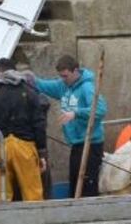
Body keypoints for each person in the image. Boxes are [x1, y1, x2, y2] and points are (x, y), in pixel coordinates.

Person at [34, 55, 107, 197]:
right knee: (75, 186)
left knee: (87, 188)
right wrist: (28, 78)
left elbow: (100, 109)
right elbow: (42, 85)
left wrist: (76, 113)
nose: (63, 79)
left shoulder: (87, 87)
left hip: (90, 144)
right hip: (77, 145)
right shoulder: (63, 86)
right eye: (61, 76)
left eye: (65, 76)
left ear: (75, 71)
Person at [0, 65, 47, 202]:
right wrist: (42, 153)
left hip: (0, 147)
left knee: (0, 196)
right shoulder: (30, 94)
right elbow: (39, 125)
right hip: (25, 148)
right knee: (33, 193)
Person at [0, 58, 54, 200]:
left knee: (21, 189)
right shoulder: (38, 100)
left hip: (26, 148)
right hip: (32, 148)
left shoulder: (31, 100)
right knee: (37, 189)